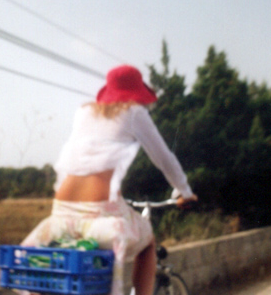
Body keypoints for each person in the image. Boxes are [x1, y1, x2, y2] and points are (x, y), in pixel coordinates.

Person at [21, 65, 197, 295]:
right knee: (148, 242)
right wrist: (184, 191)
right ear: (137, 92)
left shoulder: (84, 112)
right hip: (100, 212)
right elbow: (164, 158)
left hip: (62, 210)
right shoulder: (135, 112)